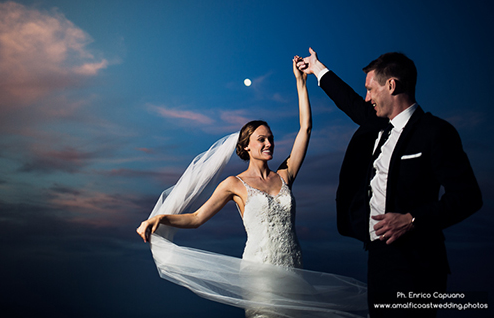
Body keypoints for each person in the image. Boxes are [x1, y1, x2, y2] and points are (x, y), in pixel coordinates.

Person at [137, 61, 368, 318]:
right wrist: (160, 218)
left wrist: (301, 83)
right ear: (246, 146)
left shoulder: (284, 175)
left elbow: (306, 129)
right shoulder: (233, 184)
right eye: (261, 139)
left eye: (270, 138)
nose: (269, 143)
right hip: (259, 271)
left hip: (292, 266)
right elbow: (196, 218)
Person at [295, 48, 482, 317]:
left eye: (371, 89)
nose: (367, 97)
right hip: (379, 258)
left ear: (391, 85)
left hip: (417, 262)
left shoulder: (435, 133)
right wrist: (317, 69)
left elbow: (468, 196)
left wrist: (412, 219)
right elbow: (349, 101)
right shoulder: (377, 125)